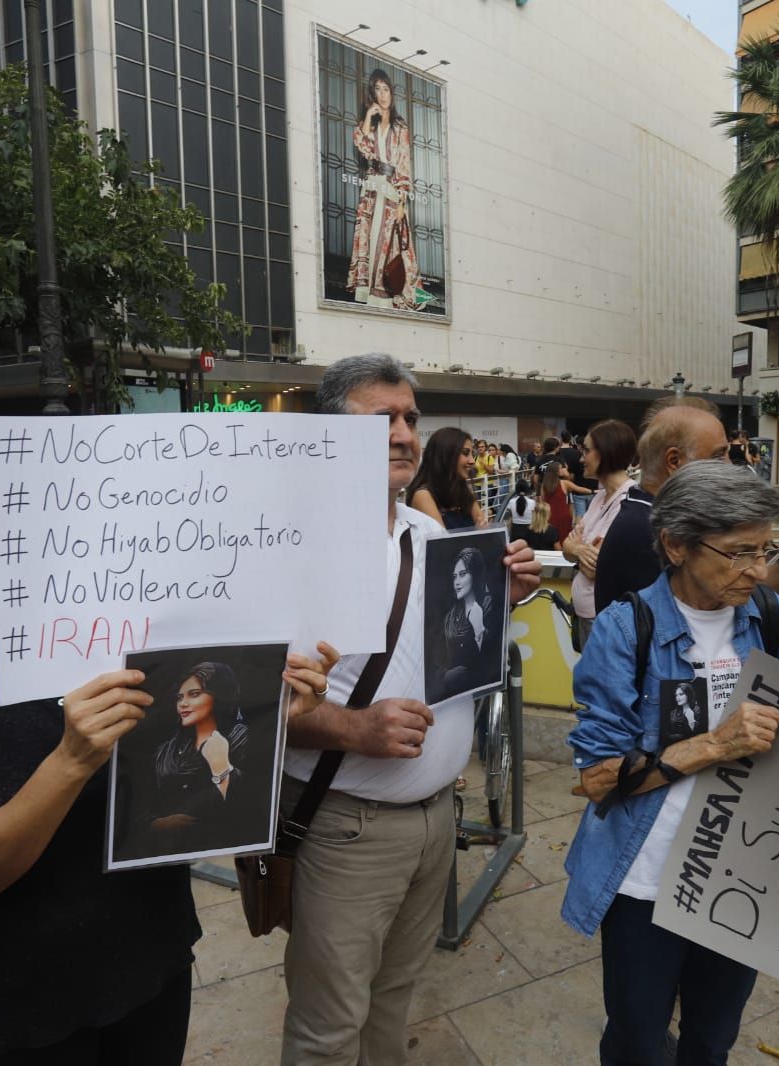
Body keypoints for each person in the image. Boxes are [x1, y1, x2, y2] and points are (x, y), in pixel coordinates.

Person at [0, 462, 338, 1064]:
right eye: (41, 541)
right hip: (17, 997)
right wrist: (70, 760)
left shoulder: (139, 652)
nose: (77, 550)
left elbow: (198, 783)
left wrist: (272, 709)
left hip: (149, 959)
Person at [561, 461, 779, 1065]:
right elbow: (597, 777)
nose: (757, 570)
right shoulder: (624, 629)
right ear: (675, 545)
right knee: (637, 1038)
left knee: (712, 1038)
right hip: (648, 880)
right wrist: (716, 744)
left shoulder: (769, 618)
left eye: (765, 549)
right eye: (738, 553)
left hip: (741, 875)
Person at [280, 353, 540, 1065]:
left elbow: (447, 659)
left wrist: (499, 599)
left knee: (395, 998)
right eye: (382, 419)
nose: (403, 434)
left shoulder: (427, 536)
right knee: (328, 1025)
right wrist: (352, 728)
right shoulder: (287, 545)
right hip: (347, 828)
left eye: (410, 419)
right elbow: (239, 700)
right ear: (331, 433)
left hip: (434, 822)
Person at [592, 399, 779, 615]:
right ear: (674, 460)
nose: (729, 465)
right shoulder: (645, 529)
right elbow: (728, 602)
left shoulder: (649, 516)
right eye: (718, 455)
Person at [139, 660, 263, 854]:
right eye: (179, 697)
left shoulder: (243, 739)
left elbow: (249, 807)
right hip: (164, 852)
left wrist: (221, 766)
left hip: (219, 851)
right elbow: (144, 804)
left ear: (219, 695)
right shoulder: (166, 751)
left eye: (194, 694)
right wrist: (160, 824)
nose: (183, 704)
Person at [346, 69, 418, 309]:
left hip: (391, 190)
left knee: (390, 244)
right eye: (378, 89)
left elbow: (404, 167)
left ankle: (387, 297)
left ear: (392, 93)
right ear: (373, 93)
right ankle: (369, 295)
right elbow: (362, 146)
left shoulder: (400, 128)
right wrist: (368, 117)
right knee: (371, 237)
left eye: (386, 89)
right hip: (371, 188)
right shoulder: (371, 125)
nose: (383, 94)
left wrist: (402, 203)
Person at [561, 419, 638, 638]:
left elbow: (594, 567)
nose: (581, 458)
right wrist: (577, 549)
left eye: (586, 450)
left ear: (605, 451)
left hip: (604, 617)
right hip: (588, 613)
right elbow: (567, 547)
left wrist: (576, 546)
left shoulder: (628, 502)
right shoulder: (600, 497)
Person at [430, 546, 502, 699]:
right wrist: (445, 676)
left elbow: (491, 660)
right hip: (447, 695)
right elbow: (439, 655)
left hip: (477, 696)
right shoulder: (450, 617)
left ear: (475, 574)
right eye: (455, 576)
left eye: (463, 574)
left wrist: (479, 628)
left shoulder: (489, 607)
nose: (457, 582)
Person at [408, 426, 484, 529]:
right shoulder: (423, 495)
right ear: (446, 455)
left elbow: (484, 527)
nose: (472, 461)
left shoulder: (463, 490)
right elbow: (444, 543)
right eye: (465, 453)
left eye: (472, 454)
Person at [536, 459, 574, 543]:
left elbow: (542, 500)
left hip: (550, 515)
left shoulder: (544, 484)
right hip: (563, 515)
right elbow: (571, 503)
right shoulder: (564, 483)